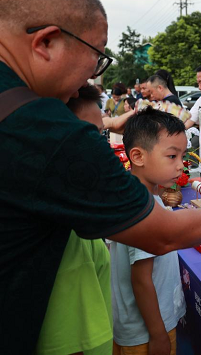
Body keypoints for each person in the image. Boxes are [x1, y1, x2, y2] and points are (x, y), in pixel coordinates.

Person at [0, 0, 201, 353]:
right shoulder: (44, 129)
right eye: (96, 58)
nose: (90, 79)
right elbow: (161, 235)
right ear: (46, 42)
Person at [35, 85, 113, 355]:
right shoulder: (60, 235)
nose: (100, 146)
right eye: (91, 134)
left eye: (103, 135)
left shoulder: (74, 217)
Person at [112, 108, 188, 355]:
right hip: (146, 332)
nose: (181, 166)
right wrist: (157, 335)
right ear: (138, 156)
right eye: (172, 156)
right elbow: (141, 280)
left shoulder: (141, 195)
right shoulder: (140, 208)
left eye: (182, 156)